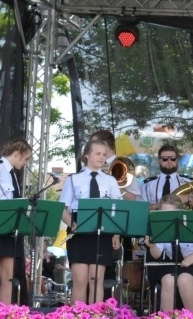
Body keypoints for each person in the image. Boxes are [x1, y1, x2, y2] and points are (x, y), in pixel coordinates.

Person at [59, 139, 121, 304]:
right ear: (87, 155)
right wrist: (73, 224)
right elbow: (62, 209)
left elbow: (117, 209)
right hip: (78, 229)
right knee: (80, 280)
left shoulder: (111, 181)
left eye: (104, 154)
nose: (102, 157)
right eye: (97, 153)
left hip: (102, 229)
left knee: (96, 279)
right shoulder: (73, 179)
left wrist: (116, 233)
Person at [144, 194, 193, 312]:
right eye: (163, 212)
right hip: (171, 262)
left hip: (192, 262)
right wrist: (152, 246)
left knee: (184, 281)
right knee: (168, 281)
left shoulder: (191, 220)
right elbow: (157, 255)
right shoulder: (159, 225)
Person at [0, 139, 32, 304]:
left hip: (11, 229)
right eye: (25, 158)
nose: (25, 163)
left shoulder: (13, 175)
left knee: (8, 277)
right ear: (17, 154)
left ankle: (5, 316)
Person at [141, 145, 193, 210]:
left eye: (173, 158)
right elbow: (140, 208)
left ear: (177, 160)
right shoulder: (148, 184)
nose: (169, 161)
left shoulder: (189, 182)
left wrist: (187, 198)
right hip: (155, 219)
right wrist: (158, 205)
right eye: (165, 159)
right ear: (159, 161)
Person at [89, 130, 141, 201]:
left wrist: (114, 185)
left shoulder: (123, 166)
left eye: (94, 144)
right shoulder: (90, 165)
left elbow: (133, 199)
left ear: (104, 144)